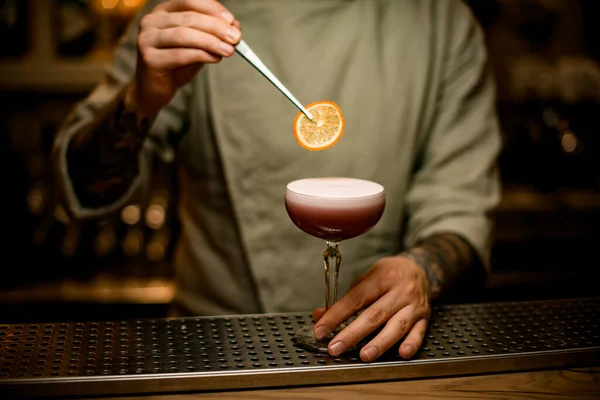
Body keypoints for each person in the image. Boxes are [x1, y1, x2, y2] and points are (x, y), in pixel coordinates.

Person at [52, 0, 501, 363]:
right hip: (213, 351)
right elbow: (86, 194)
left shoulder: (441, 21)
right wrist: (141, 98)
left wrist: (421, 271)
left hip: (378, 357)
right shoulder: (191, 15)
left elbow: (460, 212)